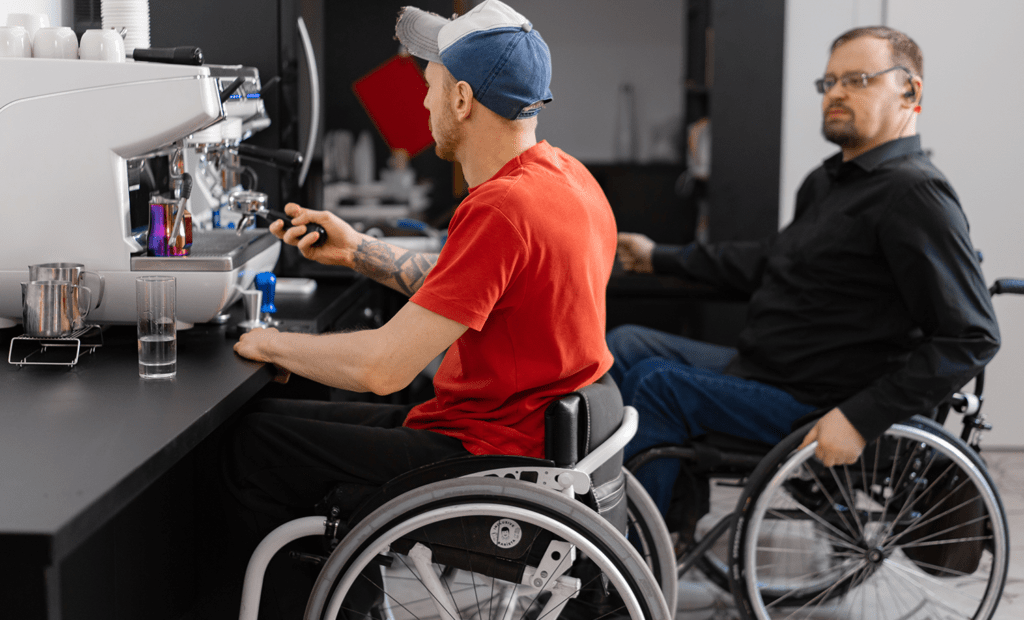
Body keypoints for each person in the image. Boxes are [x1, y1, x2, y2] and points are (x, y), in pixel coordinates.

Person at [215, 1, 617, 616]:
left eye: (428, 87)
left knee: (255, 444)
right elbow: (484, 292)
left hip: (487, 459)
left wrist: (265, 342)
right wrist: (360, 252)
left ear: (461, 99)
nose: (423, 104)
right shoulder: (567, 180)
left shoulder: (500, 210)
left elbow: (383, 370)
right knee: (279, 421)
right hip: (522, 437)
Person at [612, 26, 1000, 516]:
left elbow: (973, 336)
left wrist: (860, 419)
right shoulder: (828, 182)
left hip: (819, 401)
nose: (836, 93)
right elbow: (768, 261)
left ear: (910, 91)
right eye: (829, 82)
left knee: (656, 386)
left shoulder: (914, 195)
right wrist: (658, 256)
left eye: (857, 79)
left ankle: (630, 560)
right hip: (767, 370)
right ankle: (660, 518)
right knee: (624, 346)